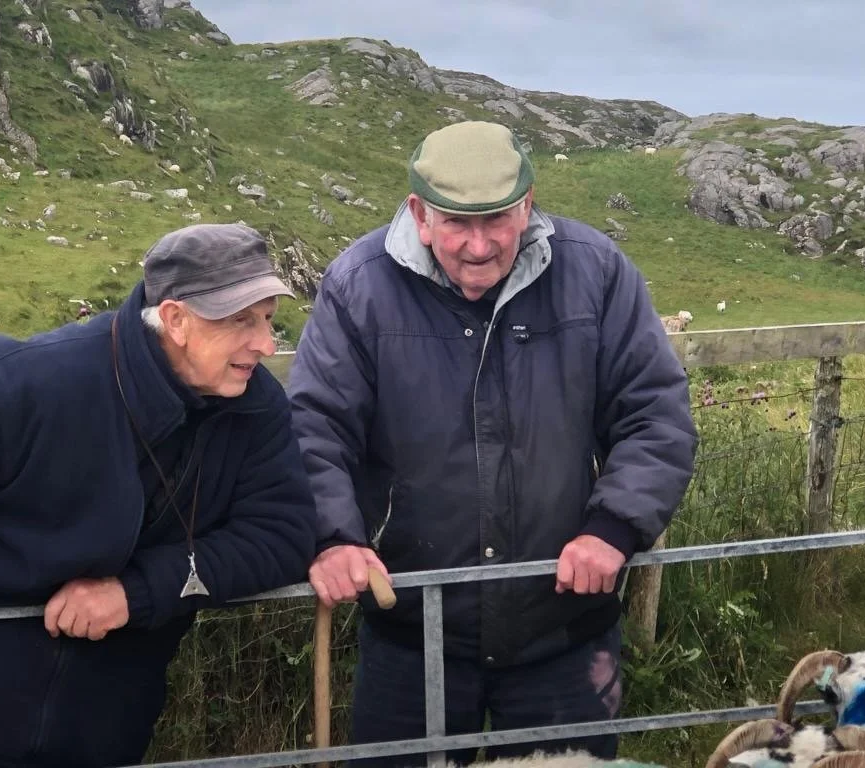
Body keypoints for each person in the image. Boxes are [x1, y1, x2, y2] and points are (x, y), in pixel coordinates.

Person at [288, 121, 698, 766]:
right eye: (456, 223)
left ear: (528, 205)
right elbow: (314, 426)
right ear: (420, 214)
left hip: (562, 625)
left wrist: (614, 527)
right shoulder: (358, 285)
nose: (478, 246)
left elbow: (655, 414)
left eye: (498, 220)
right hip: (410, 627)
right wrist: (333, 536)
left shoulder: (596, 272)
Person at [0, 223, 317, 767]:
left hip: (92, 742)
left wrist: (137, 592)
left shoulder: (256, 407)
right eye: (242, 321)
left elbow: (283, 534)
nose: (265, 344)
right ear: (176, 320)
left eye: (267, 319)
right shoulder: (32, 383)